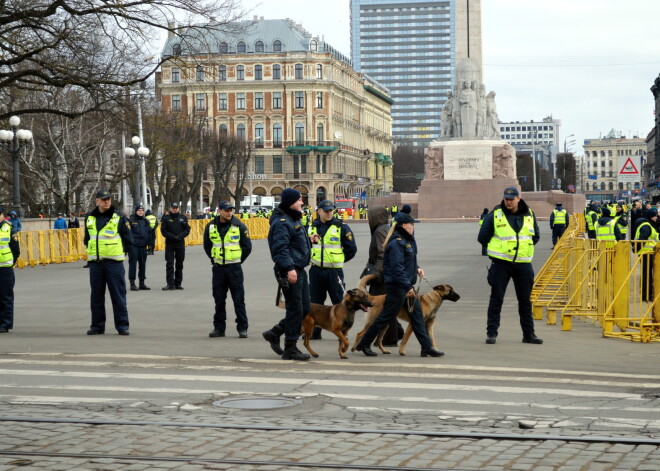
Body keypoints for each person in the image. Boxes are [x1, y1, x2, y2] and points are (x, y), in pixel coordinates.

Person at [354, 213, 444, 357]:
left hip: (405, 286)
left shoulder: (406, 240)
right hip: (398, 287)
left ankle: (427, 347)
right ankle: (364, 344)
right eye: (412, 224)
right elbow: (397, 268)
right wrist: (407, 287)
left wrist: (417, 268)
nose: (413, 227)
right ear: (404, 225)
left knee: (417, 317)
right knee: (385, 317)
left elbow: (407, 261)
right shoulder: (396, 242)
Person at [477, 186, 543, 345]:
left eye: (511, 199)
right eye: (506, 199)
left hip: (523, 264)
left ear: (518, 199)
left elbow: (535, 236)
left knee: (525, 301)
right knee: (496, 299)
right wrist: (499, 250)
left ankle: (529, 334)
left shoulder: (529, 214)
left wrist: (522, 249)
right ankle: (491, 333)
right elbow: (482, 237)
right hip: (501, 264)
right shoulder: (495, 215)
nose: (509, 201)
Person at [262, 188, 316, 361]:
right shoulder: (283, 222)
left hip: (299, 268)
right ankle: (290, 348)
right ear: (290, 202)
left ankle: (275, 332)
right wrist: (289, 268)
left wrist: (310, 242)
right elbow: (280, 248)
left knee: (305, 307)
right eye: (299, 200)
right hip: (290, 270)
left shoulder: (293, 220)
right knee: (295, 309)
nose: (302, 202)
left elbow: (294, 244)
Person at [84, 189, 133, 335]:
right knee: (96, 296)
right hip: (96, 264)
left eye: (108, 199)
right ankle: (97, 326)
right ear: (97, 201)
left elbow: (128, 239)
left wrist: (121, 253)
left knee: (118, 296)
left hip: (114, 263)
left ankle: (122, 326)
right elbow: (87, 239)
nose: (107, 202)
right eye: (103, 199)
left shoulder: (119, 217)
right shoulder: (90, 218)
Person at [307, 200, 357, 340]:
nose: (329, 213)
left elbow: (351, 249)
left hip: (334, 272)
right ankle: (315, 333)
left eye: (331, 211)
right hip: (316, 270)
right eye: (326, 210)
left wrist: (339, 260)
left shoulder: (341, 227)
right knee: (316, 303)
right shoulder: (311, 227)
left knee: (338, 302)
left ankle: (342, 332)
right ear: (319, 211)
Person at [204, 200, 252, 338]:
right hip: (218, 268)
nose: (229, 212)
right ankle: (219, 328)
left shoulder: (240, 227)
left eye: (231, 210)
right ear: (219, 211)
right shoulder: (211, 227)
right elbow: (207, 246)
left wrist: (237, 260)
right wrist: (214, 259)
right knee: (219, 299)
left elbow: (247, 247)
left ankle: (242, 328)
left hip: (234, 268)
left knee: (238, 299)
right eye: (227, 210)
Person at [160, 202, 190, 290]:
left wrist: (180, 236)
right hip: (170, 244)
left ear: (178, 209)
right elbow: (163, 231)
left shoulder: (183, 218)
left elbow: (187, 229)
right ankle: (170, 284)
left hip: (180, 244)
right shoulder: (166, 218)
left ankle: (178, 283)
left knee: (179, 264)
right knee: (169, 264)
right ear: (170, 209)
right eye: (173, 208)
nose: (175, 209)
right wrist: (172, 237)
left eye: (176, 208)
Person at [0, 208, 20, 333]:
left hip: (5, 268)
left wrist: (11, 262)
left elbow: (15, 249)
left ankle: (5, 324)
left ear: (2, 215)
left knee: (5, 297)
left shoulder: (9, 228)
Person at [634, 208, 658, 302]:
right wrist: (639, 249)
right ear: (651, 217)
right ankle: (647, 296)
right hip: (646, 253)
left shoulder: (648, 225)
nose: (656, 218)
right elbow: (642, 239)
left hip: (648, 253)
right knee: (647, 275)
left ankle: (648, 294)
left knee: (647, 275)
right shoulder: (646, 226)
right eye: (655, 216)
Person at [128, 204, 151, 291]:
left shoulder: (145, 221)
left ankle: (142, 283)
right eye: (139, 210)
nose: (141, 212)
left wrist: (150, 244)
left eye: (142, 210)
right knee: (133, 264)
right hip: (133, 246)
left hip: (143, 246)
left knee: (142, 264)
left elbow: (149, 233)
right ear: (136, 211)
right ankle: (132, 283)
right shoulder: (131, 220)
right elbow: (127, 233)